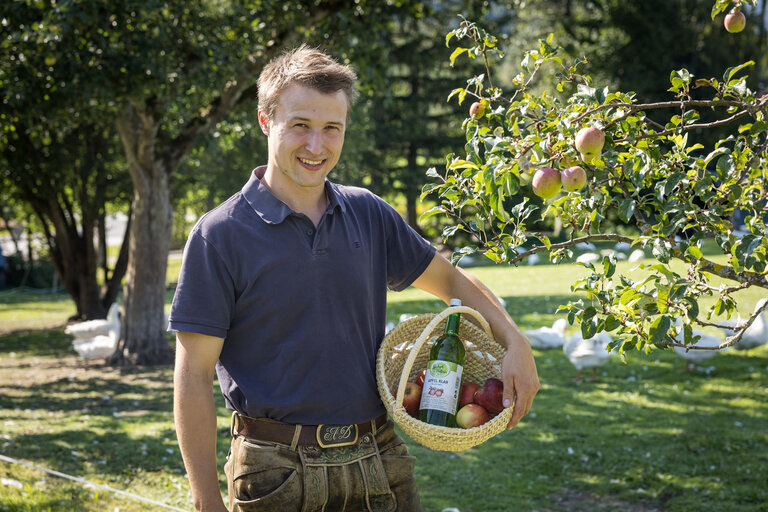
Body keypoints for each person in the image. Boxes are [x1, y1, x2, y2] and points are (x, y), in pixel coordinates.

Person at [169, 44, 540, 512]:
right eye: (300, 126)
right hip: (275, 472)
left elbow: (455, 285)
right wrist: (205, 501)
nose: (316, 146)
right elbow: (194, 376)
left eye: (332, 129)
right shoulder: (218, 234)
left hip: (379, 460)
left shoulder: (367, 212)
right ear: (266, 121)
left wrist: (515, 341)